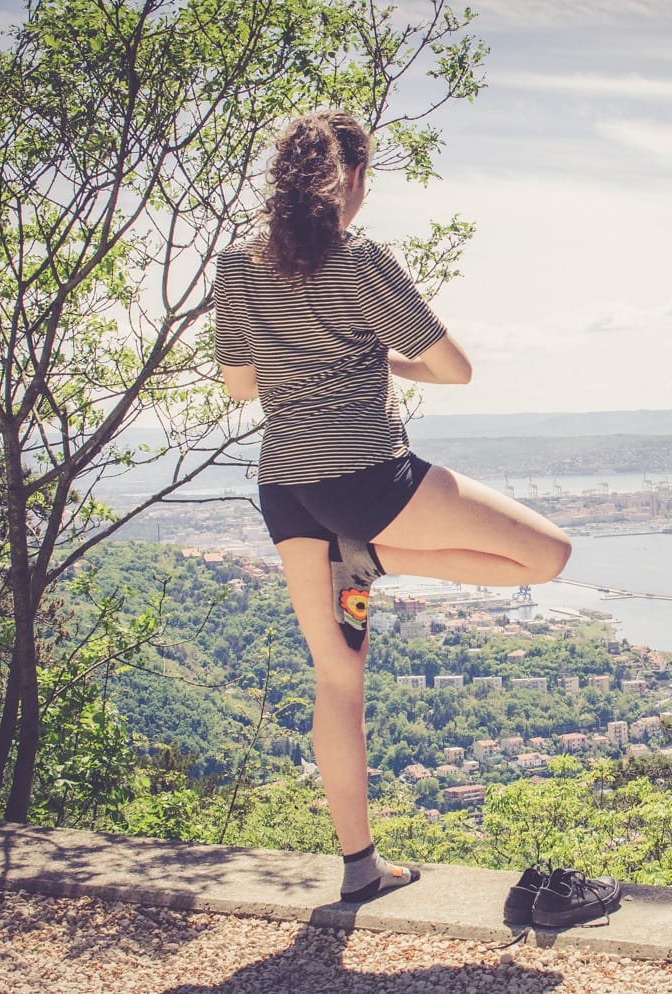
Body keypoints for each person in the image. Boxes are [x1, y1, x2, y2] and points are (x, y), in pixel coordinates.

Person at [213, 109, 571, 904]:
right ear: (350, 182)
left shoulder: (237, 267)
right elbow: (455, 369)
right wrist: (383, 358)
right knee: (549, 556)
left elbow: (241, 386)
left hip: (288, 487)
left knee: (336, 682)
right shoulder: (361, 259)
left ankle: (359, 868)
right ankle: (373, 556)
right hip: (369, 479)